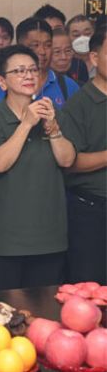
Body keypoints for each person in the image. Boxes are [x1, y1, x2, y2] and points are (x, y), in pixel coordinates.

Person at [0, 45, 75, 290]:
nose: (29, 76)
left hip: (49, 238)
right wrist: (26, 124)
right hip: (4, 241)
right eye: (19, 71)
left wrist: (52, 126)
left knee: (46, 317)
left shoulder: (53, 113)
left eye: (33, 70)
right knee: (3, 318)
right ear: (1, 81)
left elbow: (67, 159)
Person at [60, 26, 107, 284]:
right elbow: (70, 163)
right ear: (94, 58)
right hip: (91, 212)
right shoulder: (79, 104)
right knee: (91, 290)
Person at [0, 18, 79, 115]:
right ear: (20, 46)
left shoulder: (68, 86)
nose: (42, 51)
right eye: (35, 45)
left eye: (48, 45)